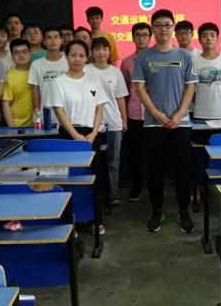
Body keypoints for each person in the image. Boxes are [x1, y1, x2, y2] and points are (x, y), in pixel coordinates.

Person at [132, 9, 197, 234]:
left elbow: (191, 87)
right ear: (153, 28)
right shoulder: (144, 57)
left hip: (181, 123)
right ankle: (157, 210)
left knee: (183, 170)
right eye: (158, 25)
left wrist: (179, 114)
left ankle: (184, 211)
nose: (163, 29)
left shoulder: (185, 56)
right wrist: (156, 113)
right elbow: (140, 88)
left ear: (173, 28)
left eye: (167, 25)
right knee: (155, 171)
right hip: (153, 123)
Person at [48, 39, 108, 234]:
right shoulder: (58, 82)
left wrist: (93, 133)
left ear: (86, 57)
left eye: (81, 55)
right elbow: (59, 111)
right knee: (70, 180)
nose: (77, 59)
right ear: (66, 57)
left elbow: (99, 109)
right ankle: (69, 221)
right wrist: (75, 135)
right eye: (73, 55)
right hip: (68, 135)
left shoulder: (94, 80)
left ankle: (95, 219)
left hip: (91, 136)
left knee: (94, 179)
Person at [85, 37, 128, 206]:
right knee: (94, 160)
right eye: (97, 49)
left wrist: (124, 120)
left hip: (113, 122)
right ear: (92, 52)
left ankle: (113, 194)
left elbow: (120, 98)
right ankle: (97, 194)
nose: (101, 52)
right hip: (91, 124)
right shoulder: (86, 70)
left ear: (109, 51)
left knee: (113, 160)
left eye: (104, 49)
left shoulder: (115, 72)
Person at [120, 22, 152, 202]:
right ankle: (137, 186)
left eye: (145, 35)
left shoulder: (157, 59)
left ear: (150, 37)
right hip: (134, 114)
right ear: (132, 38)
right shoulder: (126, 62)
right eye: (138, 35)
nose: (141, 38)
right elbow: (124, 90)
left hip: (154, 114)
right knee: (135, 154)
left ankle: (154, 186)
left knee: (155, 153)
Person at [28, 26, 68, 127]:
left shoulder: (69, 62)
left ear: (61, 40)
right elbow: (35, 90)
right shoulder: (36, 64)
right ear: (44, 41)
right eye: (49, 37)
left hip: (68, 115)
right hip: (46, 116)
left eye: (56, 37)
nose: (53, 40)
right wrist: (37, 116)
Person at [193, 22, 221, 121]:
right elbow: (189, 89)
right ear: (199, 39)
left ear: (217, 38)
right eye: (205, 36)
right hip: (200, 114)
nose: (209, 38)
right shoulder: (192, 62)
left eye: (212, 35)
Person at [2, 38, 33, 127]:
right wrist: (12, 129)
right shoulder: (7, 76)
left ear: (30, 53)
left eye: (24, 51)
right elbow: (6, 104)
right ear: (11, 56)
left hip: (39, 124)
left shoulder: (37, 71)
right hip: (17, 125)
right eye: (16, 52)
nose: (21, 55)